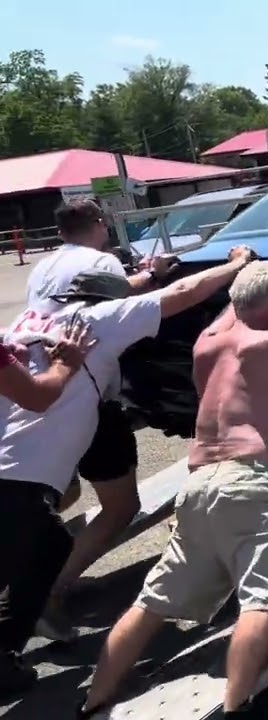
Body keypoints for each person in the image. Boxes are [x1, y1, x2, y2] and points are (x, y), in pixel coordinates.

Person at [79, 253, 268, 719]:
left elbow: (234, 307)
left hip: (198, 483)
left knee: (152, 601)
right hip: (252, 479)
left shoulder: (207, 341)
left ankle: (92, 702)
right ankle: (236, 709)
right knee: (261, 602)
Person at [0, 245, 255, 700]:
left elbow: (131, 292)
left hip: (12, 464)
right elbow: (184, 292)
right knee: (45, 546)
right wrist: (237, 266)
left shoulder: (27, 320)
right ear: (109, 298)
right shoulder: (99, 323)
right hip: (25, 471)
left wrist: (145, 275)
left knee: (34, 541)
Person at [15, 198, 180, 642]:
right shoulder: (101, 259)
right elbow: (118, 300)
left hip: (44, 382)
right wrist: (155, 276)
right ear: (99, 224)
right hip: (88, 394)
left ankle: (30, 574)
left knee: (55, 493)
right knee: (120, 505)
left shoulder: (42, 266)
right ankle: (49, 592)